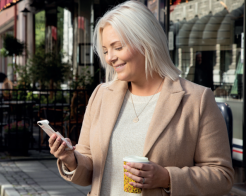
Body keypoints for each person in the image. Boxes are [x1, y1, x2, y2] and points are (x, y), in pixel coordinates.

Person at [49, 1, 234, 195]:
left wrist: (167, 178)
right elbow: (89, 169)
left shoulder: (197, 99)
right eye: (105, 51)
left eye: (117, 47)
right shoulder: (101, 96)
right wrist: (71, 159)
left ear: (146, 42)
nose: (109, 57)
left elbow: (222, 176)